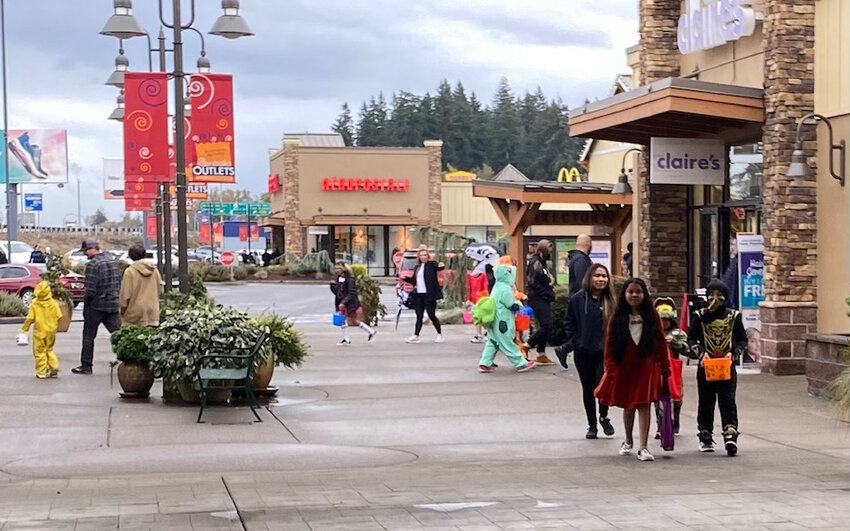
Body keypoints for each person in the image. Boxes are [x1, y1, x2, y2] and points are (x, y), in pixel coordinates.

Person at [595, 278, 671, 462]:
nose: (634, 295)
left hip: (647, 366)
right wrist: (611, 369)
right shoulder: (616, 318)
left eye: (638, 292)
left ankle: (643, 447)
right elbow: (610, 346)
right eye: (630, 292)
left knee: (644, 404)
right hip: (624, 366)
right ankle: (628, 440)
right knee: (628, 404)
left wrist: (665, 367)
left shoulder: (653, 317)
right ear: (624, 294)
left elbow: (661, 343)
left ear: (644, 295)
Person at [688, 278, 747, 456]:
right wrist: (700, 353)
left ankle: (730, 436)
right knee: (705, 401)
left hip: (726, 365)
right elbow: (691, 338)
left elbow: (742, 338)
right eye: (711, 295)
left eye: (720, 296)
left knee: (727, 400)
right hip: (706, 365)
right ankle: (705, 435)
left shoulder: (733, 316)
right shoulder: (699, 316)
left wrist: (734, 354)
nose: (715, 300)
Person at [563, 263, 616, 439]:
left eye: (604, 276)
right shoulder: (578, 299)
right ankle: (591, 425)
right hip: (583, 351)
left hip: (604, 352)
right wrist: (575, 341)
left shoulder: (610, 300)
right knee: (588, 388)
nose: (601, 279)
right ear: (590, 277)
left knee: (602, 385)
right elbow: (569, 323)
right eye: (597, 276)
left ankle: (604, 416)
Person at [477, 263, 537, 373]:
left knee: (493, 341)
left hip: (494, 320)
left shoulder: (497, 286)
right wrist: (520, 305)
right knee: (507, 343)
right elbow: (511, 305)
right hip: (503, 321)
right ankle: (520, 363)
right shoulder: (505, 288)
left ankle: (485, 363)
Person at [72, 239, 121, 375]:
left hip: (96, 306)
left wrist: (86, 301)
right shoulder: (113, 261)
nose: (85, 254)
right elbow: (118, 282)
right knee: (118, 335)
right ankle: (128, 359)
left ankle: (86, 365)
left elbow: (91, 289)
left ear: (93, 248)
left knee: (88, 336)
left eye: (86, 251)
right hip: (112, 304)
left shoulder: (93, 264)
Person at [653, 298, 688, 437]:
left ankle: (675, 422)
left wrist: (674, 344)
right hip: (657, 369)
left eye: (667, 320)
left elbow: (687, 349)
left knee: (676, 398)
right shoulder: (652, 334)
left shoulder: (678, 333)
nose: (664, 323)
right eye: (661, 320)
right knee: (657, 398)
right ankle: (660, 426)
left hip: (674, 369)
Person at [19, 281, 62, 379]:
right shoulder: (53, 303)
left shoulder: (35, 304)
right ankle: (54, 366)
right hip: (51, 330)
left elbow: (30, 318)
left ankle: (41, 371)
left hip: (40, 331)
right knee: (49, 349)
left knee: (39, 352)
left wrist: (24, 329)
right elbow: (59, 316)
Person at [403, 246, 444, 344]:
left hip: (429, 294)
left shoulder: (431, 264)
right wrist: (405, 279)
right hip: (418, 295)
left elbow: (439, 267)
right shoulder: (417, 267)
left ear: (428, 256)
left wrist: (442, 265)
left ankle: (439, 334)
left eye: (425, 255)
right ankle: (416, 336)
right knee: (419, 316)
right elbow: (414, 280)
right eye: (421, 255)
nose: (423, 257)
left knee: (431, 315)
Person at [524, 240, 556, 366]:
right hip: (538, 298)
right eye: (549, 251)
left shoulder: (541, 263)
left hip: (543, 297)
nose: (550, 254)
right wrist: (546, 292)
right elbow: (532, 282)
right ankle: (527, 345)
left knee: (545, 325)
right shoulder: (535, 262)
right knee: (546, 325)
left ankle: (541, 353)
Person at [330, 262, 376, 345]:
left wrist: (344, 302)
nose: (336, 270)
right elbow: (338, 292)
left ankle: (371, 331)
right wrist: (332, 286)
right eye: (335, 268)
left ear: (344, 269)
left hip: (350, 303)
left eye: (338, 268)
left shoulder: (350, 279)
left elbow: (352, 293)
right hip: (342, 302)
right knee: (342, 320)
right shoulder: (338, 278)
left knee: (354, 321)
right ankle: (346, 339)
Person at [119, 244, 163, 327]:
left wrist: (122, 310)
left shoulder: (130, 272)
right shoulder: (154, 270)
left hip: (134, 312)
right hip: (152, 311)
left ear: (130, 256)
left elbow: (125, 294)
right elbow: (160, 289)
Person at [467, 261, 490, 343]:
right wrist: (469, 299)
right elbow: (469, 288)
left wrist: (485, 298)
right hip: (474, 299)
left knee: (484, 318)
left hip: (482, 300)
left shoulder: (483, 276)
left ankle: (487, 333)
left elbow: (485, 288)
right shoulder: (470, 276)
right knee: (476, 318)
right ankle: (479, 334)